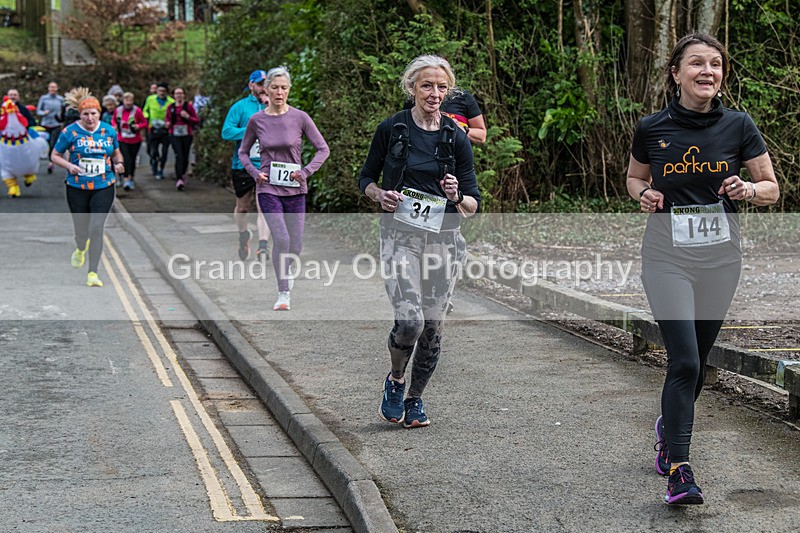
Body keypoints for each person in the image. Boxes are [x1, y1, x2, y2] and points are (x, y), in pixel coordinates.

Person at [626, 33, 779, 505]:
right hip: (666, 258)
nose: (707, 71)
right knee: (686, 361)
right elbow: (634, 177)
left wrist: (747, 190)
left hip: (720, 261)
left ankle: (668, 431)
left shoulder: (739, 125)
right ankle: (680, 470)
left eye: (715, 64)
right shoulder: (652, 127)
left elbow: (771, 187)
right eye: (696, 63)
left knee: (697, 365)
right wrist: (644, 194)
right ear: (676, 73)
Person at [358, 55, 480, 428]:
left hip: (444, 241)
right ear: (412, 88)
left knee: (432, 327)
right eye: (427, 86)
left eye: (441, 87)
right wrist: (380, 195)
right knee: (410, 321)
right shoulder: (392, 128)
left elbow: (473, 205)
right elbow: (366, 179)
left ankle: (415, 399)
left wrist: (457, 196)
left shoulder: (456, 136)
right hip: (401, 238)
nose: (434, 93)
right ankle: (396, 380)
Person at [238, 66, 329, 311]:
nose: (279, 92)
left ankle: (286, 272)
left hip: (295, 189)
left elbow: (323, 149)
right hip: (268, 188)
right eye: (275, 88)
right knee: (281, 238)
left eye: (284, 88)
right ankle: (283, 292)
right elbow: (243, 152)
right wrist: (255, 173)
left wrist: (306, 172)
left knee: (295, 245)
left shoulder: (300, 117)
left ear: (289, 90)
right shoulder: (257, 120)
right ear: (266, 90)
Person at [50, 93, 125, 288]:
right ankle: (80, 247)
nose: (90, 118)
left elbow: (116, 153)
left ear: (99, 113)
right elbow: (55, 155)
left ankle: (93, 272)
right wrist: (69, 166)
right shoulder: (69, 132)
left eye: (93, 113)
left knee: (97, 227)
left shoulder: (108, 131)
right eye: (85, 114)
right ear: (80, 115)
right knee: (81, 230)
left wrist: (119, 163)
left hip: (103, 185)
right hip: (77, 187)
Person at [221, 70, 272, 261]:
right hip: (242, 165)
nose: (263, 88)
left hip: (266, 165)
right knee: (242, 208)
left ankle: (263, 246)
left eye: (265, 84)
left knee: (264, 206)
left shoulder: (274, 106)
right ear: (251, 85)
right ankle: (243, 234)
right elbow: (226, 132)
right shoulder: (240, 107)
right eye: (259, 84)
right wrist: (251, 130)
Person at [165, 86, 199, 191]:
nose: (179, 95)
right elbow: (167, 118)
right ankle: (179, 178)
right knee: (178, 155)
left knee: (184, 156)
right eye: (177, 93)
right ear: (174, 96)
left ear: (184, 95)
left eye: (181, 93)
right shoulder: (170, 107)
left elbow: (196, 119)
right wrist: (167, 123)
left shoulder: (188, 107)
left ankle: (183, 174)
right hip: (174, 134)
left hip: (186, 134)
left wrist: (188, 117)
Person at [112, 92, 148, 191]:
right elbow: (113, 120)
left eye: (130, 100)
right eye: (126, 100)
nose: (128, 103)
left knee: (132, 159)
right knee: (126, 159)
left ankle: (131, 177)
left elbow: (145, 123)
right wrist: (114, 126)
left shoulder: (137, 110)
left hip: (135, 139)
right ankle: (126, 179)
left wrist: (138, 126)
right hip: (122, 138)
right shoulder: (118, 110)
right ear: (123, 101)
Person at [142, 82, 174, 179]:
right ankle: (154, 161)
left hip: (165, 129)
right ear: (157, 91)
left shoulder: (171, 102)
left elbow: (173, 114)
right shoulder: (150, 99)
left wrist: (169, 122)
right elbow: (145, 110)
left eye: (164, 91)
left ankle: (161, 169)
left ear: (166, 92)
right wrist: (147, 117)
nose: (161, 93)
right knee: (152, 150)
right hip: (153, 128)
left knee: (164, 151)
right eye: (160, 91)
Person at [35, 82, 64, 174]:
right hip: (45, 124)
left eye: (54, 87)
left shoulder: (61, 99)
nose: (53, 89)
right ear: (48, 88)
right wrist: (44, 113)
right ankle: (48, 159)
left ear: (57, 88)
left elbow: (64, 111)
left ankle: (51, 163)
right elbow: (38, 111)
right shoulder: (44, 98)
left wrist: (62, 117)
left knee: (53, 143)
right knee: (46, 144)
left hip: (56, 124)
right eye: (51, 87)